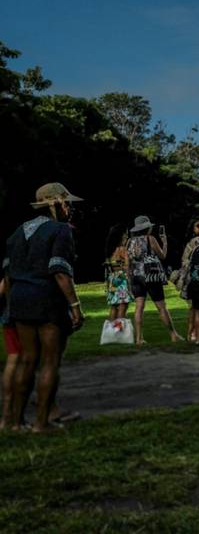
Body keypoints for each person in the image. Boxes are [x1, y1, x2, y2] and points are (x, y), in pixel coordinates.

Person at [4, 182, 85, 433]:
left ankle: (16, 422)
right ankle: (42, 423)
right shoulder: (60, 230)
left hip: (19, 299)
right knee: (50, 362)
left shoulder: (17, 232)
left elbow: (8, 275)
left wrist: (10, 307)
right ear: (55, 203)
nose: (70, 207)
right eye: (67, 202)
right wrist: (75, 305)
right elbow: (60, 270)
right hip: (46, 299)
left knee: (27, 360)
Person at [127, 215, 181, 346]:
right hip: (151, 277)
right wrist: (165, 242)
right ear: (147, 228)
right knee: (161, 307)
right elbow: (162, 255)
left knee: (139, 307)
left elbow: (127, 264)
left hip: (136, 277)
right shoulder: (150, 239)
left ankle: (139, 338)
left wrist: (129, 281)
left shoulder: (129, 242)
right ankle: (173, 335)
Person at [179, 217, 199, 342]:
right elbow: (186, 260)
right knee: (198, 308)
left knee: (193, 308)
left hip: (192, 278)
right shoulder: (196, 241)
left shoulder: (193, 242)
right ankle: (195, 334)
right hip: (196, 278)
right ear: (193, 228)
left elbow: (184, 261)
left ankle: (191, 334)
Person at [0, 275, 19, 429]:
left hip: (9, 313)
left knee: (13, 357)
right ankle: (12, 416)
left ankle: (7, 414)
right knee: (22, 359)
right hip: (22, 312)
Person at [104, 224, 132, 322]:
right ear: (121, 236)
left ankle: (111, 331)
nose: (127, 236)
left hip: (112, 280)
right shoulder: (122, 250)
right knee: (122, 307)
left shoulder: (110, 250)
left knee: (114, 308)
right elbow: (127, 267)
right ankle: (120, 332)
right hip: (122, 281)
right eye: (126, 234)